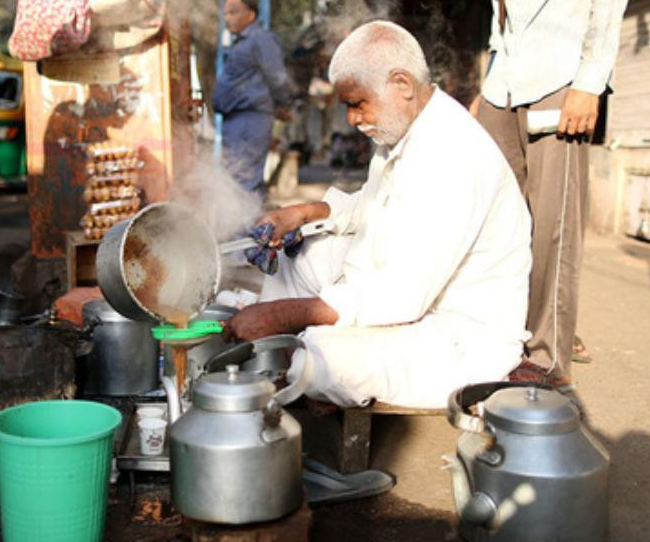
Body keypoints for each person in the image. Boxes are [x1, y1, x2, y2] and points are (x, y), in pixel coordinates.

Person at [222, 21, 531, 408]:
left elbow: (401, 295)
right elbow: (370, 204)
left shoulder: (454, 157)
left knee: (319, 358)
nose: (352, 119)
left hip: (456, 334)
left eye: (357, 103)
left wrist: (284, 315)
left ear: (402, 84)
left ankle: (289, 362)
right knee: (294, 257)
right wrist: (303, 212)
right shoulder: (405, 130)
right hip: (407, 294)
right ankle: (273, 357)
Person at [473, 0, 629, 388]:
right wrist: (488, 79)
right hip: (506, 83)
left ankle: (546, 359)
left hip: (561, 82)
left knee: (553, 232)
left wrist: (589, 84)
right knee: (494, 216)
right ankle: (497, 333)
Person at [212, 0, 293, 193]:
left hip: (250, 120)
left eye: (233, 12)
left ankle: (247, 225)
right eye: (225, 13)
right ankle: (238, 224)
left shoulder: (261, 39)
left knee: (244, 181)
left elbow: (277, 77)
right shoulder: (241, 42)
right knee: (234, 180)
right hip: (237, 121)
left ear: (250, 15)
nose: (227, 18)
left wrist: (282, 105)